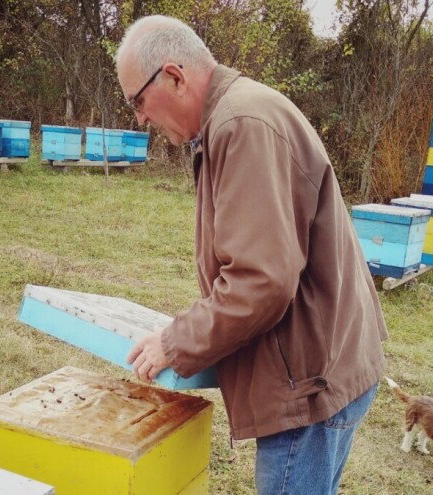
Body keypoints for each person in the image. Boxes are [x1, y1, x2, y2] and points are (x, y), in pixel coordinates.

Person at [117, 15, 389, 495]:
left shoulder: (241, 124)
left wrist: (174, 343)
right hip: (323, 367)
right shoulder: (238, 115)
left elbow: (260, 281)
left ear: (175, 77)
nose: (139, 117)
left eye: (138, 100)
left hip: (308, 386)